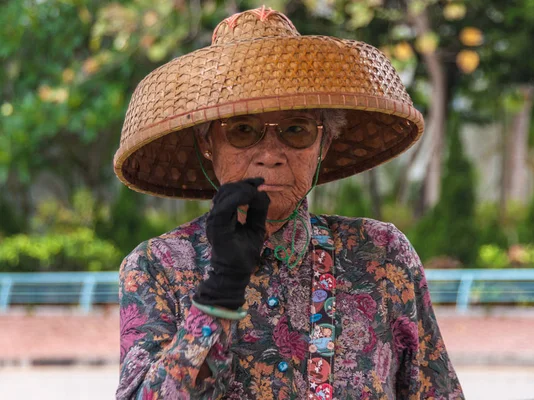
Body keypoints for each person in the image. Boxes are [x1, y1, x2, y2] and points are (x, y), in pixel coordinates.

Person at [114, 6, 464, 399]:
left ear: (324, 143)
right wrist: (221, 288)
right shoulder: (156, 267)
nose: (270, 153)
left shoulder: (382, 256)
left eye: (296, 130)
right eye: (243, 130)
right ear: (207, 143)